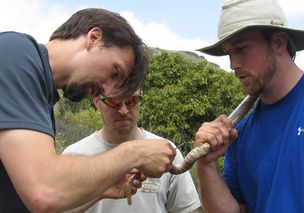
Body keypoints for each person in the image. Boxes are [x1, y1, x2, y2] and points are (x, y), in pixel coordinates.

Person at [0, 8, 175, 213]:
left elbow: (41, 204)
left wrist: (103, 189)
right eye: (114, 71)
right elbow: (44, 190)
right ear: (94, 38)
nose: (108, 91)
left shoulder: (41, 96)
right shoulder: (15, 53)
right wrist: (135, 151)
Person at [195, 0, 304, 212]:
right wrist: (205, 165)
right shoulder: (240, 133)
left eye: (242, 49)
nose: (233, 64)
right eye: (228, 53)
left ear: (279, 42)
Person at [62, 90, 202, 213]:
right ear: (96, 101)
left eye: (132, 100)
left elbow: (186, 209)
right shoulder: (73, 156)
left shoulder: (166, 152)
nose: (124, 110)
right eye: (113, 101)